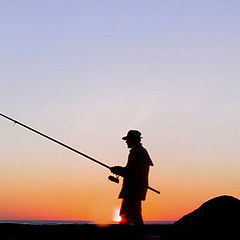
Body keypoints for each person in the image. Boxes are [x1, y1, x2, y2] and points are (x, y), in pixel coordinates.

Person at [110, 130, 153, 225]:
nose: (126, 142)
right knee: (134, 214)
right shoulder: (140, 151)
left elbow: (132, 172)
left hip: (133, 190)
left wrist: (118, 170)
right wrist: (119, 170)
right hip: (136, 190)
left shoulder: (137, 152)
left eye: (128, 140)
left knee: (128, 215)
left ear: (133, 140)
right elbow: (133, 171)